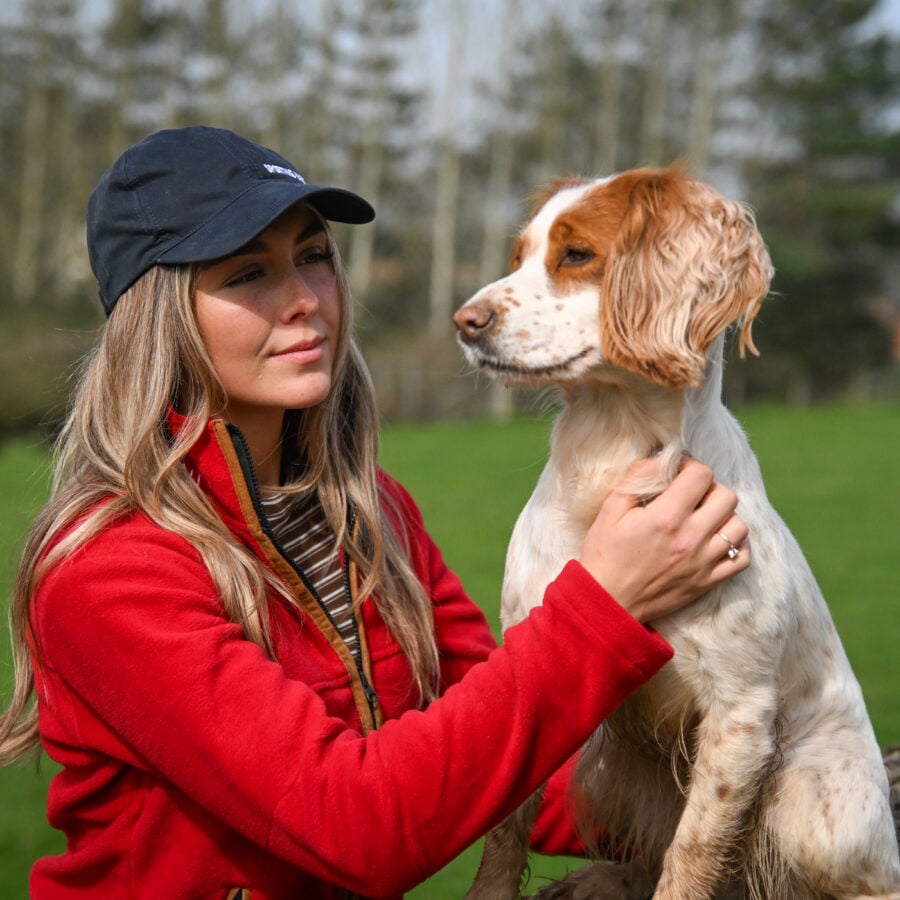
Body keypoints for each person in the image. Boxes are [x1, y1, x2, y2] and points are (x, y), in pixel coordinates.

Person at [0, 126, 749, 899]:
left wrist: (780, 812)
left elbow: (503, 746)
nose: (303, 301)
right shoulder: (108, 568)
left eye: (314, 256)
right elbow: (355, 825)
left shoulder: (376, 513)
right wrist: (605, 606)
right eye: (249, 272)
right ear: (159, 315)